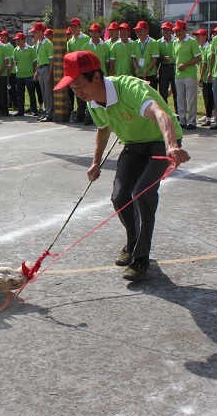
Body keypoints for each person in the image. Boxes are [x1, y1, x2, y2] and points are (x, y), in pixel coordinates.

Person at [53, 51, 190, 281]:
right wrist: (96, 162)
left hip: (160, 143)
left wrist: (171, 146)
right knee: (119, 197)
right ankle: (132, 243)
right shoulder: (93, 102)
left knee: (142, 193)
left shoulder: (129, 89)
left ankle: (141, 258)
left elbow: (160, 114)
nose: (76, 92)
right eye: (72, 88)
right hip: (133, 145)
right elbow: (103, 128)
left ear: (96, 78)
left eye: (78, 85)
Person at [172, 19, 201, 129]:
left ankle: (192, 121)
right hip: (178, 75)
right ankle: (182, 120)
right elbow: (175, 58)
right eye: (175, 31)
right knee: (180, 98)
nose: (177, 33)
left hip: (189, 74)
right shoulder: (175, 42)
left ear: (184, 30)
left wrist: (186, 65)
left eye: (178, 31)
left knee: (191, 99)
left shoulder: (192, 42)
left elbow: (198, 57)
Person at [32, 22, 54, 122]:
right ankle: (46, 111)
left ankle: (50, 113)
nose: (34, 34)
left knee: (48, 92)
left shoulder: (48, 43)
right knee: (43, 92)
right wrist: (37, 71)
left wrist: (50, 74)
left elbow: (52, 60)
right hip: (41, 69)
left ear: (41, 32)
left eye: (35, 32)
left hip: (46, 68)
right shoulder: (38, 43)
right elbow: (38, 59)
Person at [12, 32, 38, 117]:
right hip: (19, 75)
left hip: (29, 75)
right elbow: (15, 62)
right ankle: (21, 111)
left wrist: (35, 73)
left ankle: (34, 110)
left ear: (24, 40)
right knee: (20, 94)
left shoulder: (31, 50)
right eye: (16, 40)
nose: (17, 42)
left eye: (18, 40)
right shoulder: (15, 50)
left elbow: (35, 63)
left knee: (31, 94)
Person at [195, 28, 214, 126]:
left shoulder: (209, 47)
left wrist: (203, 75)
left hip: (208, 77)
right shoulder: (198, 48)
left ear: (204, 36)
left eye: (199, 36)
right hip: (202, 77)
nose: (197, 38)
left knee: (209, 97)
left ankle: (210, 117)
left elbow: (207, 63)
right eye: (196, 36)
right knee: (205, 96)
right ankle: (208, 114)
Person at [131, 21, 158, 90]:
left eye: (141, 31)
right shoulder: (135, 43)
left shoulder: (153, 43)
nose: (139, 33)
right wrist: (137, 69)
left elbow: (154, 59)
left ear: (146, 30)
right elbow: (134, 59)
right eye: (137, 31)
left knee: (151, 95)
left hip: (150, 74)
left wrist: (147, 71)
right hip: (138, 74)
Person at [158, 21, 178, 114]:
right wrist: (162, 58)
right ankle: (165, 113)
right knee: (163, 92)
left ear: (171, 31)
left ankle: (178, 114)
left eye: (167, 30)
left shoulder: (176, 41)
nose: (165, 32)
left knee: (176, 92)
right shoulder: (158, 42)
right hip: (164, 68)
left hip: (174, 67)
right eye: (163, 30)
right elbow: (155, 56)